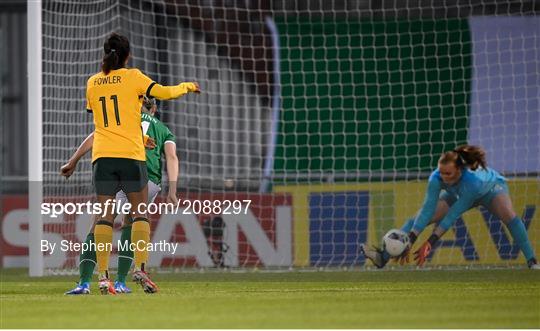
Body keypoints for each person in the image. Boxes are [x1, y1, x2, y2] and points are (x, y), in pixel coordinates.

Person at [80, 32, 199, 294]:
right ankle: (141, 270)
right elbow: (165, 93)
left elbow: (102, 119)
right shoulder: (134, 76)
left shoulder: (92, 83)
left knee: (104, 217)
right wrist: (187, 86)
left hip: (102, 157)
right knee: (139, 214)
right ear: (128, 55)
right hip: (131, 157)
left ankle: (102, 277)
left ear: (105, 53)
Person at [62, 97, 179, 294]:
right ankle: (122, 282)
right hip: (149, 181)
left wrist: (73, 160)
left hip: (124, 171)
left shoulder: (124, 121)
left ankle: (84, 283)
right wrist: (173, 190)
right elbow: (172, 157)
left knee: (99, 222)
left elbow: (95, 136)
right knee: (131, 223)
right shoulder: (163, 129)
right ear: (155, 108)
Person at [361, 145, 539, 270]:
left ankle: (532, 260)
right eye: (441, 172)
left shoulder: (473, 182)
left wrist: (430, 242)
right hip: (457, 194)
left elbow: (453, 215)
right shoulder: (436, 178)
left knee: (509, 215)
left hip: (490, 190)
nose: (443, 176)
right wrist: (412, 239)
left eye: (448, 173)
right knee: (416, 218)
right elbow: (428, 209)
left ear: (459, 171)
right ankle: (382, 258)